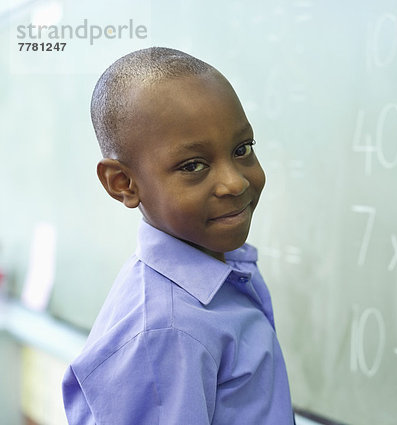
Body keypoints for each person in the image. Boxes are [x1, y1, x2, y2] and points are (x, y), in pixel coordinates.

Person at [61, 47, 294, 425]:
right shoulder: (165, 332)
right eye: (193, 166)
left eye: (242, 149)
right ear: (123, 183)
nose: (234, 182)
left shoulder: (223, 271)